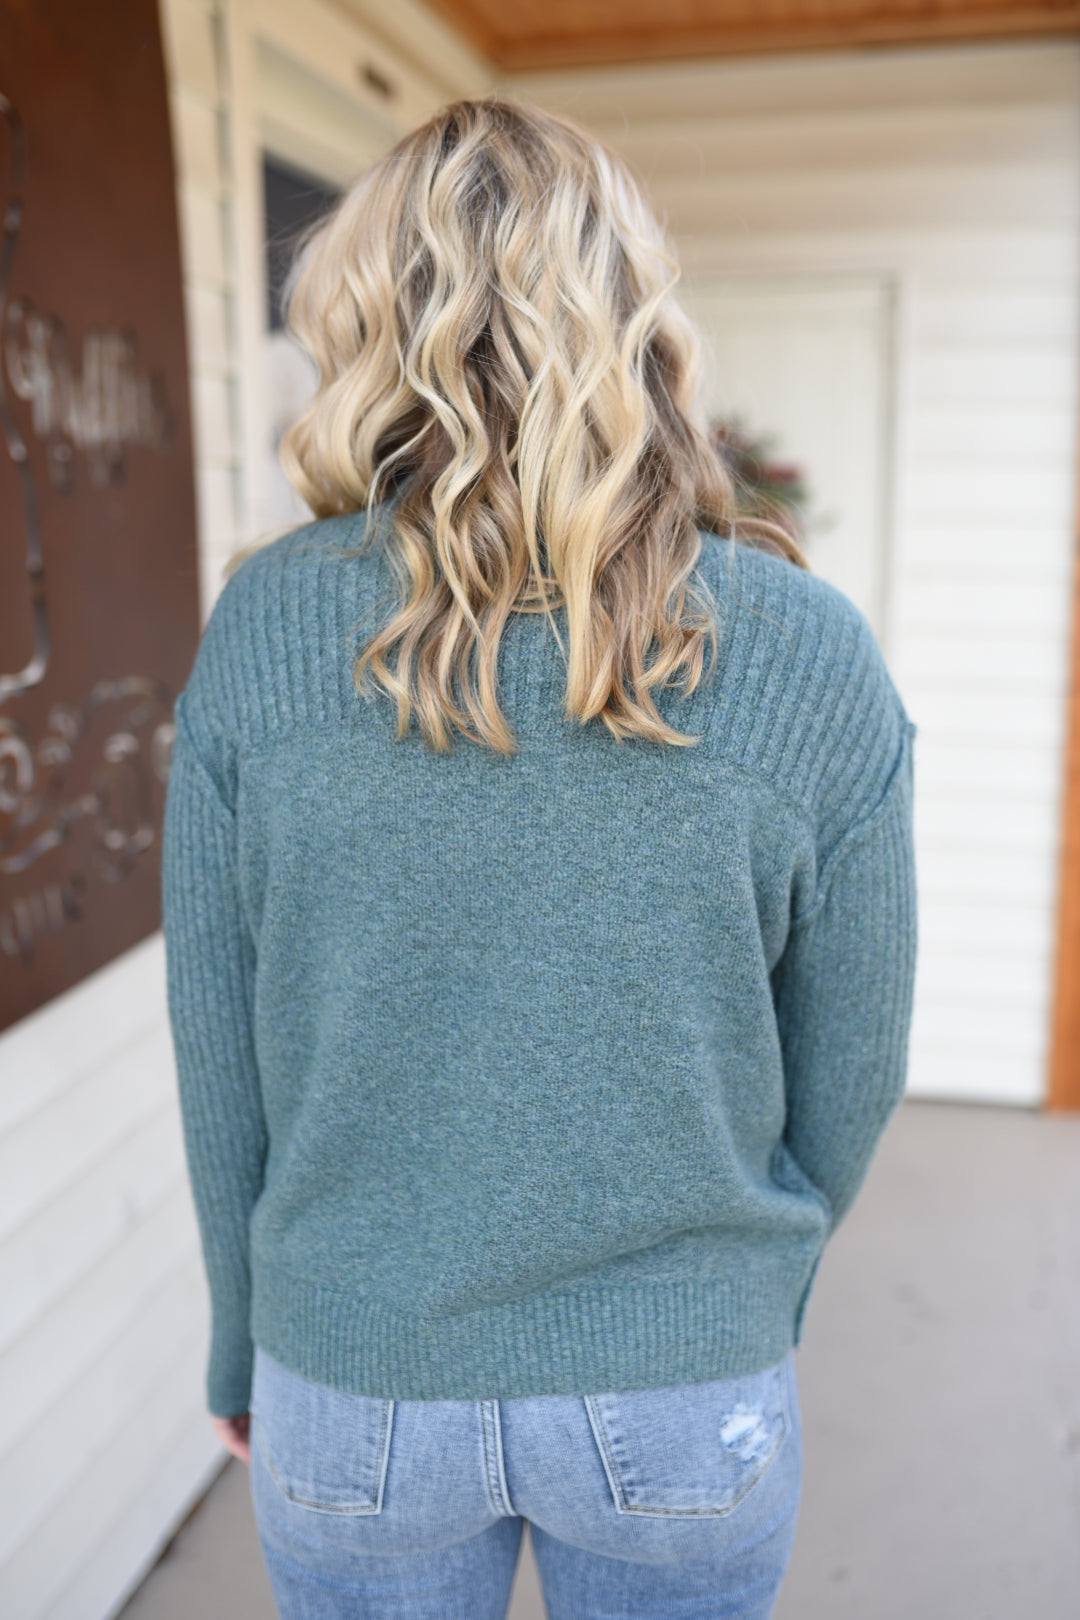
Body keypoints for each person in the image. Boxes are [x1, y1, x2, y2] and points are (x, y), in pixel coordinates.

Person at [162, 97, 917, 1620]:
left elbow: (219, 1054)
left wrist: (245, 1336)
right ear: (637, 316)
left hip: (355, 1388)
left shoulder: (262, 632)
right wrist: (742, 1293)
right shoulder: (805, 650)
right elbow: (856, 1062)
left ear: (362, 326)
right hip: (683, 1385)